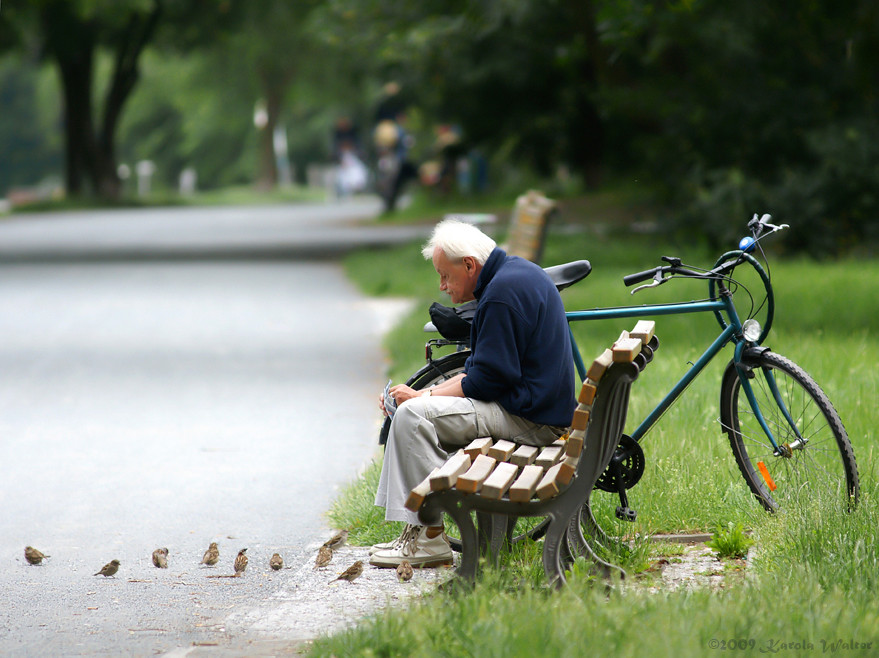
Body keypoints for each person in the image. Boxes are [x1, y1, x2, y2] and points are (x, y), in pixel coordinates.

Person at [370, 218, 576, 568]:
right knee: (414, 410)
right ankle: (423, 531)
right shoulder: (513, 275)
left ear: (469, 265)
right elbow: (481, 373)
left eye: (445, 275)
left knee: (411, 418)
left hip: (532, 421)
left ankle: (427, 537)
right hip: (536, 411)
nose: (442, 286)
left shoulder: (501, 295)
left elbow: (486, 382)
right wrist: (424, 394)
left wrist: (422, 400)